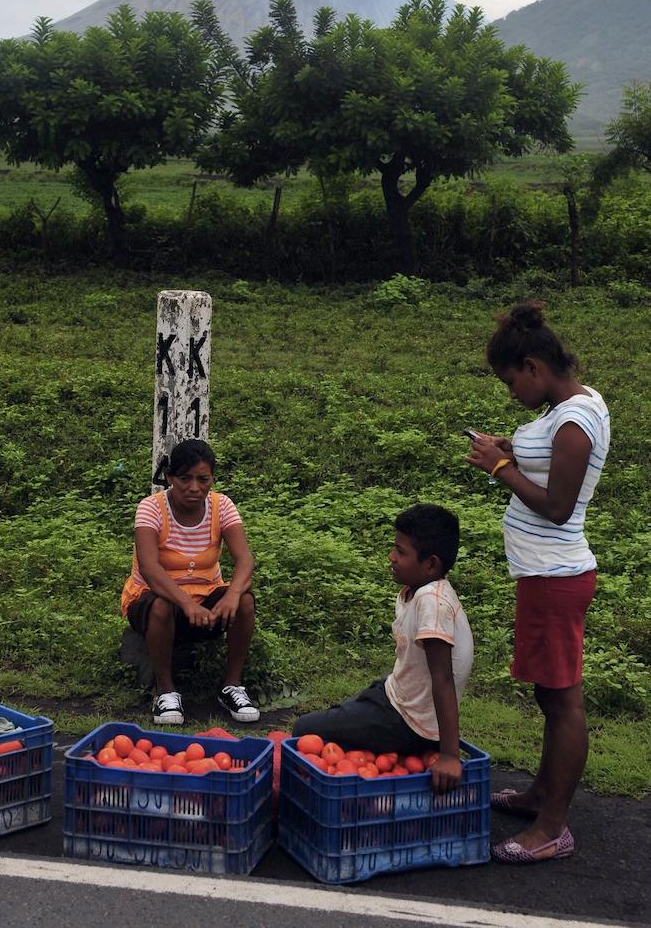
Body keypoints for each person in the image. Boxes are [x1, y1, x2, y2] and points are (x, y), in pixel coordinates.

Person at [465, 301, 610, 865]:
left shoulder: (574, 422)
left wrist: (500, 469)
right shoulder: (572, 405)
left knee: (562, 699)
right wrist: (512, 449)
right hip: (543, 575)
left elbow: (555, 506)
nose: (511, 393)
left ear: (532, 365)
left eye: (510, 382)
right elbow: (544, 462)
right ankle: (540, 796)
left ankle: (553, 827)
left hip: (556, 574)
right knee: (549, 696)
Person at [293, 504, 473, 794]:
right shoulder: (418, 590)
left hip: (408, 722)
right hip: (393, 696)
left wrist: (450, 754)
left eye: (401, 553)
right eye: (394, 548)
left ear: (431, 564)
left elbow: (443, 679)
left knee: (305, 731)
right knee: (342, 715)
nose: (391, 557)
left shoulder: (432, 603)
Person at [121, 438, 260, 726]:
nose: (194, 487)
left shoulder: (222, 506)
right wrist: (186, 603)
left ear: (211, 479)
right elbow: (149, 568)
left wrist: (232, 595)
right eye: (184, 478)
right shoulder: (151, 508)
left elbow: (245, 559)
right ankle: (166, 691)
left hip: (206, 596)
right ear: (170, 477)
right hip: (153, 600)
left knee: (245, 601)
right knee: (161, 606)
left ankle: (231, 685)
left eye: (203, 479)